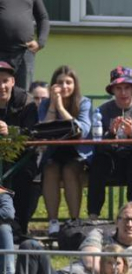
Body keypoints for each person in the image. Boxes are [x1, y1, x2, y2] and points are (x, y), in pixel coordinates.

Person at [87, 66, 132, 220]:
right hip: (113, 159)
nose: (123, 93)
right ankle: (93, 216)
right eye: (118, 88)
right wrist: (110, 133)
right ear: (112, 90)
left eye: (127, 88)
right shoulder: (102, 111)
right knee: (99, 162)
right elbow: (97, 146)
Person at [38, 65, 92, 236]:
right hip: (53, 153)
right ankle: (53, 222)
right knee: (50, 170)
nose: (64, 86)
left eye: (69, 82)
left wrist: (61, 108)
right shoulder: (46, 104)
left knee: (70, 171)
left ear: (75, 85)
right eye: (60, 82)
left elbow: (80, 130)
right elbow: (42, 130)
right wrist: (54, 105)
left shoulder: (84, 103)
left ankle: (74, 221)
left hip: (77, 153)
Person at [0, 59, 37, 274]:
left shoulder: (26, 101)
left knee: (28, 178)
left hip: (21, 159)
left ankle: (20, 230)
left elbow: (33, 134)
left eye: (5, 81)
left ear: (13, 81)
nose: (1, 87)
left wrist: (10, 131)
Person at [0, 0, 49, 90]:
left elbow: (43, 18)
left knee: (24, 94)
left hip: (25, 53)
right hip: (1, 52)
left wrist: (40, 42)